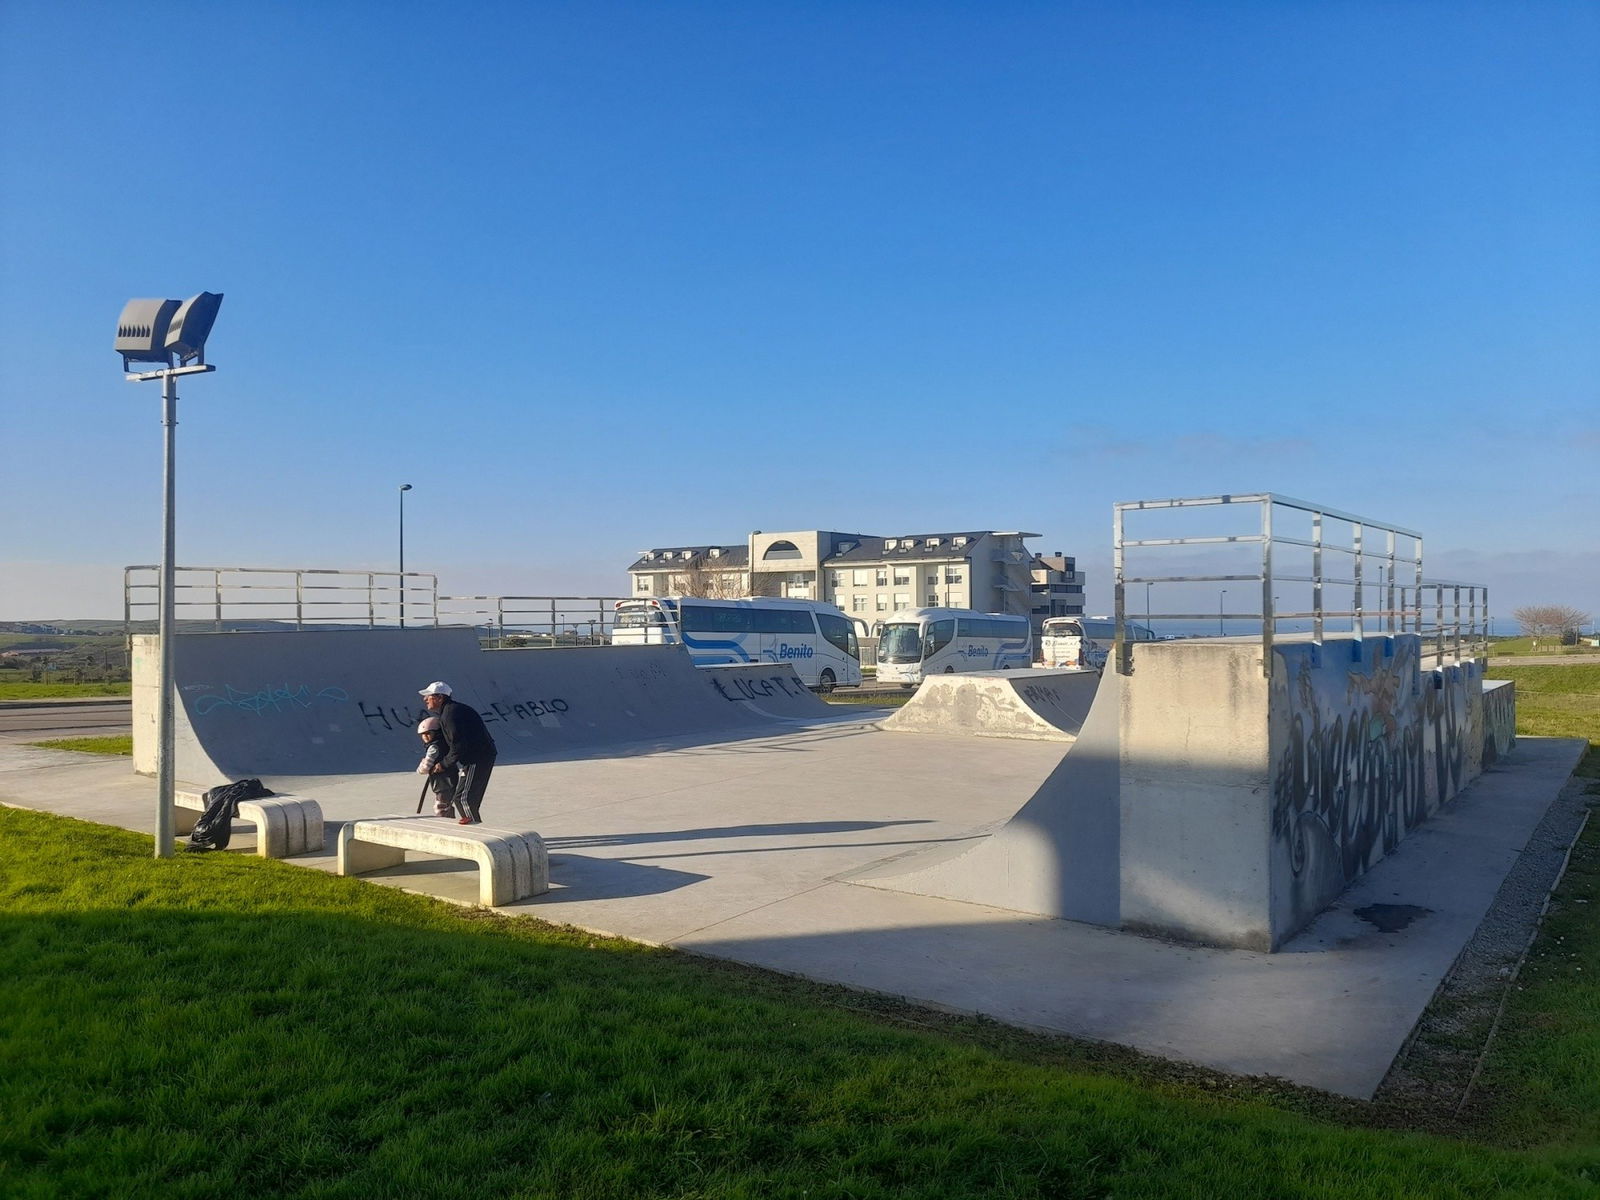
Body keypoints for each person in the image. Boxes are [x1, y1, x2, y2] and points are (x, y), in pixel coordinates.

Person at [418, 681, 497, 825]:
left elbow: (458, 745)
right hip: (476, 757)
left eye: (428, 696)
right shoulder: (451, 711)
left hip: (477, 758)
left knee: (463, 799)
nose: (425, 699)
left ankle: (475, 832)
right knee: (464, 798)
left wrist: (443, 764)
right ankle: (476, 828)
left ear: (439, 697)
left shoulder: (450, 714)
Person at [415, 716, 458, 818]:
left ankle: (444, 823)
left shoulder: (433, 747)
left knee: (441, 805)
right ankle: (448, 819)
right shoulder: (445, 744)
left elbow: (425, 766)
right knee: (447, 803)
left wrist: (420, 768)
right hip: (451, 777)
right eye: (423, 735)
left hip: (442, 780)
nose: (425, 736)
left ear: (437, 733)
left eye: (428, 733)